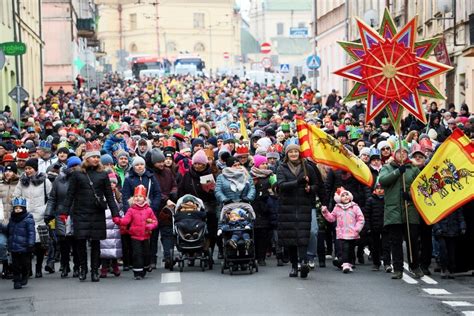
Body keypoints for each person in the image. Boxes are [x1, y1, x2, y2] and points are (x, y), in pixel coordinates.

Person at [63, 141, 120, 282]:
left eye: (97, 157)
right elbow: (70, 194)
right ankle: (83, 269)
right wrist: (64, 212)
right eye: (93, 157)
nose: (96, 159)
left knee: (96, 244)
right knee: (80, 243)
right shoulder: (77, 174)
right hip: (80, 212)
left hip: (97, 212)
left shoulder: (103, 174)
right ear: (86, 158)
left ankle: (95, 270)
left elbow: (109, 196)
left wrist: (115, 214)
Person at [276, 143, 327, 278]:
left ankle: (304, 262)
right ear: (287, 154)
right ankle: (294, 266)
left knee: (304, 235)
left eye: (296, 151)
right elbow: (281, 185)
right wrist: (297, 182)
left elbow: (317, 185)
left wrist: (310, 188)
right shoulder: (281, 168)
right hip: (287, 207)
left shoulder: (308, 167)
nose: (293, 154)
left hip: (304, 205)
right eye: (291, 152)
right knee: (291, 238)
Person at [379, 142, 423, 279]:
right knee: (395, 242)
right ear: (394, 154)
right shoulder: (387, 167)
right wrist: (398, 171)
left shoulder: (414, 169)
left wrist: (409, 196)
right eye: (399, 152)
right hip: (393, 211)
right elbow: (383, 180)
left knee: (413, 240)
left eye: (404, 152)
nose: (402, 154)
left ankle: (415, 266)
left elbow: (421, 188)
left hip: (410, 210)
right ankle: (398, 269)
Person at [13, 158, 52, 278]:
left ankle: (38, 267)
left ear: (35, 169)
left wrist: (46, 210)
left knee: (40, 245)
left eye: (30, 168)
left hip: (41, 215)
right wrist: (20, 208)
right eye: (26, 169)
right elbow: (16, 196)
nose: (28, 171)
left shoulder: (45, 181)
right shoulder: (22, 181)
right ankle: (28, 268)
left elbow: (51, 197)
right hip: (26, 216)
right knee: (27, 244)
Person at [44, 156, 82, 278]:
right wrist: (48, 213)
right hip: (62, 213)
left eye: (78, 165)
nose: (76, 168)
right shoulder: (59, 180)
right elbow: (52, 198)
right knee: (64, 242)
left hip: (77, 213)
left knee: (77, 242)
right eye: (74, 166)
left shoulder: (82, 179)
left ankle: (77, 266)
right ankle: (65, 266)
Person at [121, 156, 161, 270]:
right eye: (137, 165)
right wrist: (128, 211)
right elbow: (125, 196)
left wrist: (153, 208)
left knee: (151, 237)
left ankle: (151, 260)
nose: (139, 167)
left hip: (149, 212)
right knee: (136, 239)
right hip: (135, 213)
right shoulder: (129, 179)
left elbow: (157, 193)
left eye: (141, 164)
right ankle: (136, 262)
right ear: (133, 167)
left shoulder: (151, 177)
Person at [113, 185, 158, 280]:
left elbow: (155, 221)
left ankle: (146, 266)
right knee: (137, 254)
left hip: (146, 235)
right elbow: (125, 221)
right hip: (135, 236)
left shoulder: (149, 210)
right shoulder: (131, 210)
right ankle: (137, 272)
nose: (138, 198)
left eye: (140, 196)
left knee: (146, 253)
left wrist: (149, 226)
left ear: (144, 198)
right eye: (136, 196)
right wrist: (118, 220)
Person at [322, 187, 365, 273]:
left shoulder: (355, 207)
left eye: (347, 195)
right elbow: (332, 218)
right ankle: (345, 264)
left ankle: (350, 263)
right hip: (342, 233)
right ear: (339, 198)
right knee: (344, 248)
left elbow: (361, 219)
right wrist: (325, 212)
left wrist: (357, 228)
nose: (345, 197)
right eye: (343, 195)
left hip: (353, 232)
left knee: (351, 249)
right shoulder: (337, 208)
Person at [1, 197, 35, 289]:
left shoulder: (28, 219)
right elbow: (8, 230)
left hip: (24, 247)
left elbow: (31, 232)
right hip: (14, 247)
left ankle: (24, 275)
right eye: (16, 208)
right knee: (15, 265)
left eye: (20, 208)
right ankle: (17, 281)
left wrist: (31, 243)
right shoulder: (12, 219)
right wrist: (1, 226)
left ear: (23, 209)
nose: (18, 210)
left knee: (24, 264)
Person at [250, 155, 277, 266]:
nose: (265, 165)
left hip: (266, 208)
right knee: (255, 234)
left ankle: (261, 257)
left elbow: (275, 190)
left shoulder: (271, 176)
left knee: (264, 234)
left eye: (266, 163)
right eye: (262, 163)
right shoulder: (251, 176)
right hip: (254, 207)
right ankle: (254, 256)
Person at [99, 173, 122, 278]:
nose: (111, 184)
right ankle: (104, 267)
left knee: (114, 246)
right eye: (110, 182)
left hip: (114, 225)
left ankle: (115, 266)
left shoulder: (118, 195)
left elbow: (121, 208)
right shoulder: (101, 195)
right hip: (103, 223)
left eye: (113, 182)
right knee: (104, 247)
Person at [365, 183, 391, 272]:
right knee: (374, 246)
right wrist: (368, 227)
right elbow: (367, 215)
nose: (379, 190)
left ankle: (387, 264)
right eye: (377, 188)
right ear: (374, 190)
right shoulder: (370, 200)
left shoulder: (387, 200)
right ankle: (376, 263)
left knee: (386, 246)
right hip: (374, 227)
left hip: (385, 226)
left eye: (381, 188)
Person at [433, 208, 466, 279]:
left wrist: (462, 227)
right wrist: (437, 229)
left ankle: (451, 269)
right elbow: (434, 218)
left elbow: (460, 217)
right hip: (442, 232)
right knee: (443, 251)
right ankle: (443, 268)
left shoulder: (455, 204)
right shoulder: (440, 204)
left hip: (452, 232)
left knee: (452, 252)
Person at [0, 163, 19, 279]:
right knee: (1, 244)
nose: (8, 173)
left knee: (14, 246)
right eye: (6, 171)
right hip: (2, 221)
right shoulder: (0, 185)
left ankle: (14, 267)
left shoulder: (20, 185)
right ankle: (5, 264)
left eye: (11, 171)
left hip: (15, 221)